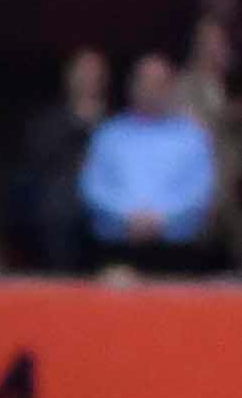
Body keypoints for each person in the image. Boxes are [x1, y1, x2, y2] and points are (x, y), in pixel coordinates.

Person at [80, 51, 220, 267]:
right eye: (145, 81)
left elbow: (202, 191)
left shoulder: (193, 137)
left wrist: (162, 221)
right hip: (116, 250)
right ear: (132, 84)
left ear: (171, 87)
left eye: (159, 82)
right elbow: (93, 187)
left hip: (180, 253)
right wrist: (127, 219)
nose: (151, 89)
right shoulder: (109, 134)